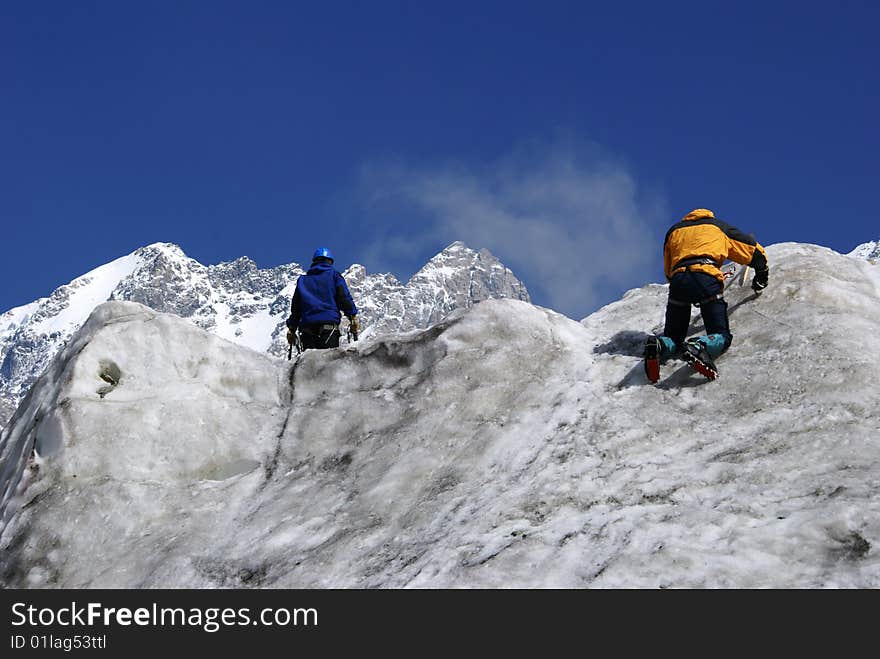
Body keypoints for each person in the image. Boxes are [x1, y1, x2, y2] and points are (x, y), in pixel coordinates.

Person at [644, 208, 769, 381]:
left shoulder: (674, 231)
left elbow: (668, 266)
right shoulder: (717, 227)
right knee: (721, 334)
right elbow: (751, 249)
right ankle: (699, 346)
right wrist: (762, 273)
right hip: (706, 278)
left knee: (674, 335)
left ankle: (659, 345)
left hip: (679, 279)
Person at [286, 247, 359, 351]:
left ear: (314, 262)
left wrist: (292, 328)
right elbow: (343, 298)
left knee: (309, 366)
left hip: (307, 331)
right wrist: (352, 316)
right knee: (329, 365)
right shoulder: (334, 275)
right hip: (329, 329)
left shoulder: (302, 281)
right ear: (330, 261)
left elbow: (296, 309)